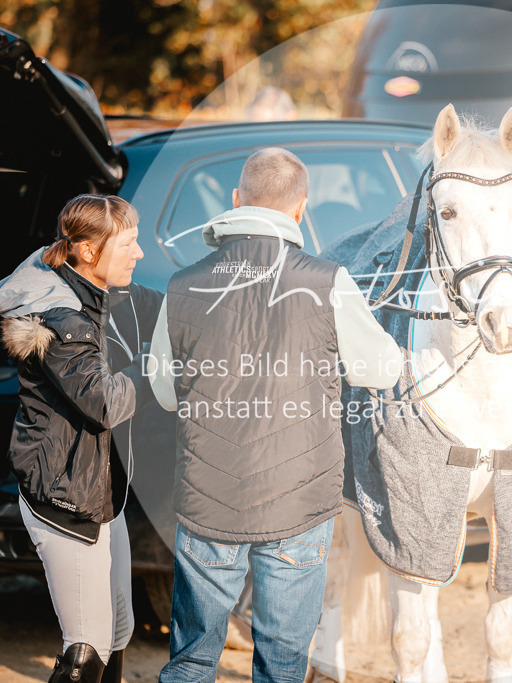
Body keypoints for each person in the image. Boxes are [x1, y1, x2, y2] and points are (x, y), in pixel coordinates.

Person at [150, 148, 401, 682]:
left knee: (192, 659)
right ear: (301, 209)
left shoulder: (181, 285)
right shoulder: (327, 281)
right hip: (298, 500)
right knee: (283, 661)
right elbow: (381, 369)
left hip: (207, 498)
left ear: (237, 201)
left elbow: (165, 392)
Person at [0, 194, 158, 683]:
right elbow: (103, 403)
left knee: (119, 630)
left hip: (103, 493)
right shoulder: (61, 319)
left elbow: (170, 307)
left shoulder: (101, 292)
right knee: (87, 646)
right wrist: (162, 371)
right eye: (129, 242)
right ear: (86, 250)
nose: (139, 252)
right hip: (64, 496)